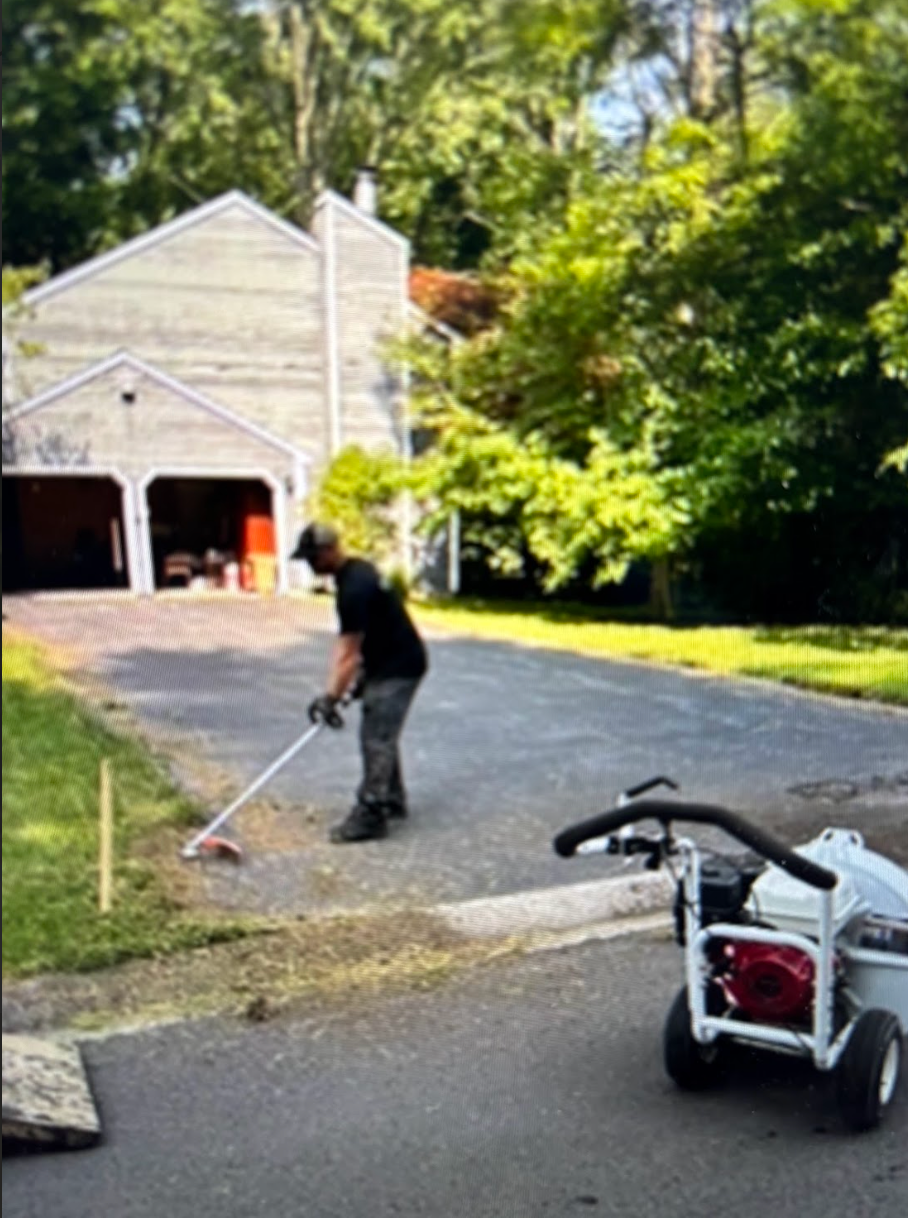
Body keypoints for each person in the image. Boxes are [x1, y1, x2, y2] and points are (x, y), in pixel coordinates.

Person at [291, 523, 428, 843]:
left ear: (329, 550)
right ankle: (393, 800)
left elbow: (347, 652)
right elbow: (373, 634)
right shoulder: (356, 572)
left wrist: (330, 696)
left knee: (376, 737)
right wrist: (361, 679)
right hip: (391, 660)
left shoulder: (354, 586)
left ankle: (372, 812)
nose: (310, 565)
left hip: (400, 667)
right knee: (381, 732)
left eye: (312, 557)